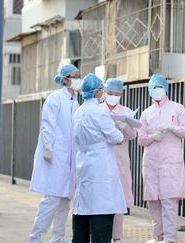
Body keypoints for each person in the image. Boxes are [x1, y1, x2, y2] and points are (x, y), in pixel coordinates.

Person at [71, 73, 127, 243]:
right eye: (102, 89)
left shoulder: (79, 111)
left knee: (83, 212)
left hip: (84, 164)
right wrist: (120, 129)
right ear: (96, 92)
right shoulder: (99, 112)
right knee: (101, 216)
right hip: (101, 166)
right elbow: (116, 137)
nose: (103, 92)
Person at [29, 64, 82, 243]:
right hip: (55, 156)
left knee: (65, 201)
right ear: (65, 79)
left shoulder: (75, 102)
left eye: (79, 76)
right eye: (75, 76)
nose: (78, 79)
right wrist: (48, 146)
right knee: (51, 199)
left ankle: (58, 237)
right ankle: (35, 237)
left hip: (69, 158)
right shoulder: (55, 99)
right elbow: (48, 124)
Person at [138, 74, 185, 243]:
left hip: (170, 164)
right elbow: (141, 139)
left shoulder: (177, 108)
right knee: (154, 203)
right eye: (154, 88)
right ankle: (158, 237)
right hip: (151, 163)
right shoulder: (146, 114)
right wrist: (153, 137)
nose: (158, 91)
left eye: (160, 87)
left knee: (169, 203)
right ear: (149, 91)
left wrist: (171, 128)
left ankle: (170, 239)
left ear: (166, 89)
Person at [101, 78, 136, 242]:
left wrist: (126, 127)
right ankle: (101, 234)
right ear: (104, 92)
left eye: (116, 93)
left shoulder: (126, 111)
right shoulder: (97, 110)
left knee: (118, 200)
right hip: (101, 159)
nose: (113, 96)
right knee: (102, 198)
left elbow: (133, 135)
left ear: (121, 94)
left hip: (119, 160)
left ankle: (117, 237)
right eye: (110, 93)